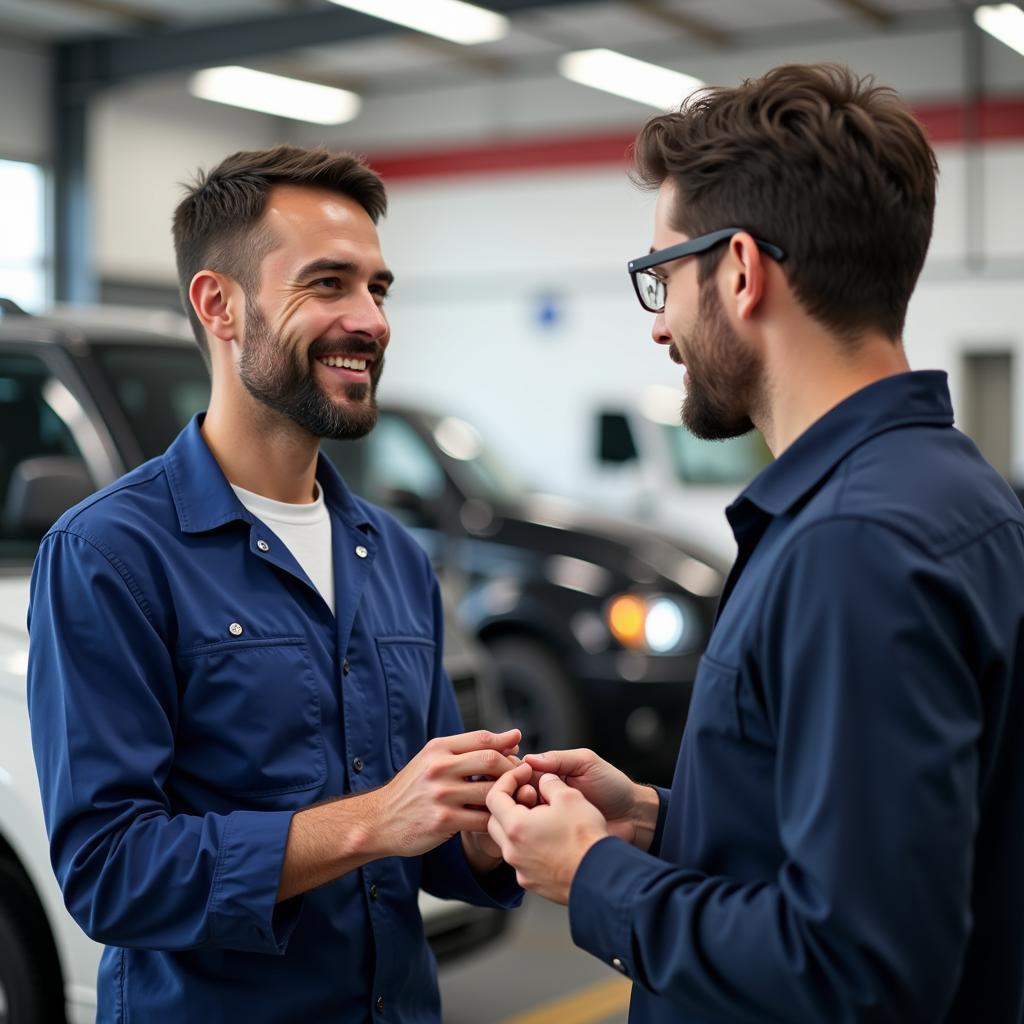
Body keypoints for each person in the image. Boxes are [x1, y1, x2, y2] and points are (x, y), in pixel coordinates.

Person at [486, 63, 1024, 1022]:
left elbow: (858, 971)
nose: (661, 330)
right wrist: (657, 820)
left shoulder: (854, 546)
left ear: (739, 270)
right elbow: (867, 846)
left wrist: (594, 875)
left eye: (662, 277)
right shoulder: (950, 494)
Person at [27, 144, 522, 1022]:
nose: (371, 320)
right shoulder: (110, 555)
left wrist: (488, 827)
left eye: (378, 288)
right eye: (328, 284)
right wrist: (371, 822)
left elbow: (431, 839)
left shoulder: (395, 556)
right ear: (220, 304)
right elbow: (110, 872)